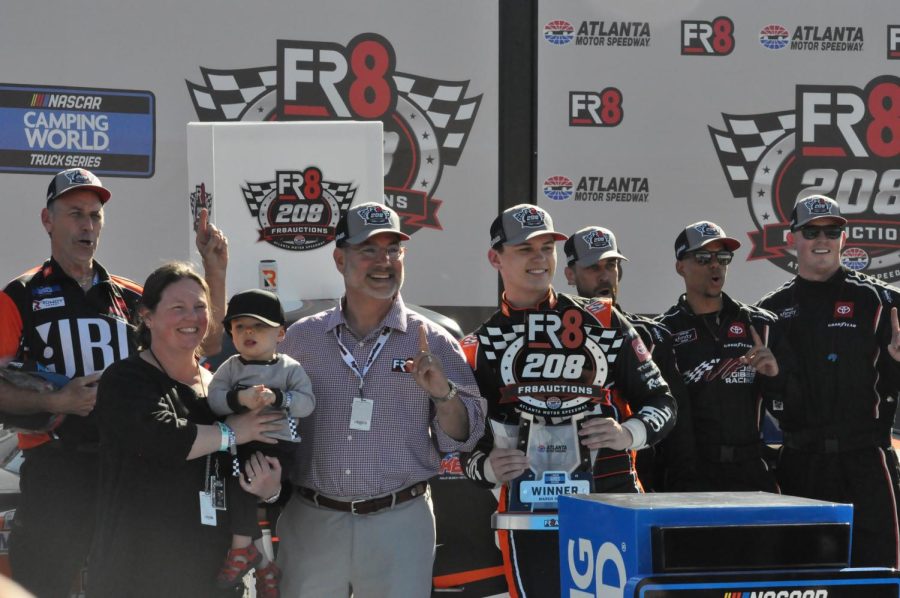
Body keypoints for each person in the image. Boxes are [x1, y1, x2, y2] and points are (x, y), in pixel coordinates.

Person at [0, 168, 228, 598]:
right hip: (58, 467)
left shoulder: (132, 297)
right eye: (74, 214)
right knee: (41, 585)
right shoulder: (20, 294)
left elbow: (204, 344)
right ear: (48, 221)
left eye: (94, 215)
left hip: (132, 467)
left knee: (130, 584)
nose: (86, 225)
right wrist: (60, 399)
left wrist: (214, 272)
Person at [460, 204, 676, 598]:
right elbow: (463, 446)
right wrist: (487, 468)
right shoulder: (480, 345)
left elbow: (663, 403)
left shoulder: (604, 320)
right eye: (525, 249)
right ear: (496, 258)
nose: (540, 259)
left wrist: (626, 433)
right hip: (527, 510)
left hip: (611, 500)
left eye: (547, 247)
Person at [276, 202, 486, 598]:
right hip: (312, 519)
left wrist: (444, 394)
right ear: (340, 259)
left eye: (393, 250)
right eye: (368, 250)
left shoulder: (434, 339)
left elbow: (465, 436)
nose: (383, 261)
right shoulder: (301, 338)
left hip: (399, 521)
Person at [90, 262, 284, 598]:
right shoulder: (125, 379)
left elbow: (255, 464)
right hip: (135, 574)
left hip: (212, 576)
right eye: (177, 308)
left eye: (199, 307)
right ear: (147, 316)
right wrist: (231, 433)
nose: (191, 318)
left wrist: (271, 489)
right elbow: (160, 439)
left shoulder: (222, 388)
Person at [758, 195, 900, 568]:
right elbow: (765, 393)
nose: (822, 239)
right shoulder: (770, 311)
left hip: (866, 459)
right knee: (801, 579)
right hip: (801, 462)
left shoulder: (882, 302)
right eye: (812, 230)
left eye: (832, 230)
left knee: (880, 576)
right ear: (793, 238)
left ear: (843, 236)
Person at [656, 221, 786, 492]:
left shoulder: (761, 325)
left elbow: (793, 404)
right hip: (689, 475)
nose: (715, 265)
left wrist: (775, 376)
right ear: (680, 266)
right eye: (703, 258)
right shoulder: (663, 332)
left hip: (751, 470)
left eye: (723, 258)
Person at [208, 289, 315, 596]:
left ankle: (255, 556)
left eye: (260, 326)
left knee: (262, 500)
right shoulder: (229, 367)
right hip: (240, 445)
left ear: (281, 333)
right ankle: (257, 558)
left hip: (279, 448)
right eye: (240, 326)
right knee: (236, 489)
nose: (249, 332)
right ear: (230, 332)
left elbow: (307, 404)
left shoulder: (290, 368)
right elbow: (214, 400)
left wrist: (279, 398)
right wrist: (239, 399)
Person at [563, 225, 685, 491]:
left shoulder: (651, 336)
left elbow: (671, 413)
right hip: (562, 481)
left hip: (635, 481)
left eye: (611, 265)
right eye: (594, 267)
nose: (605, 276)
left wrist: (628, 433)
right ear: (570, 274)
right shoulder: (551, 334)